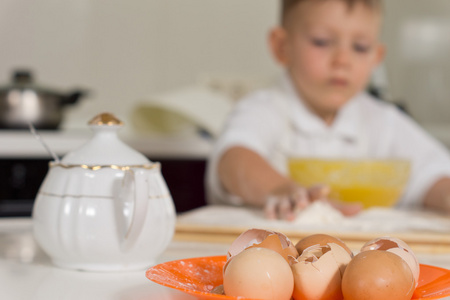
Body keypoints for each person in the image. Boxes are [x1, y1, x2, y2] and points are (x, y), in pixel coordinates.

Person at [206, 0, 450, 220]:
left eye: (360, 47)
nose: (342, 59)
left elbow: (433, 173)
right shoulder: (265, 107)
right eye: (321, 41)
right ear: (282, 46)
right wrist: (280, 190)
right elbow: (234, 160)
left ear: (376, 58)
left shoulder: (383, 121)